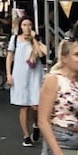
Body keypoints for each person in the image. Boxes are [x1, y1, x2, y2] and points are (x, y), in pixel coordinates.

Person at [6, 16, 47, 147]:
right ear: (20, 26)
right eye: (24, 25)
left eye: (29, 25)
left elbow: (42, 54)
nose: (27, 27)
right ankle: (26, 135)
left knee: (36, 105)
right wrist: (9, 74)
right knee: (23, 106)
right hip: (20, 74)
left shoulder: (37, 40)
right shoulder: (15, 39)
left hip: (35, 74)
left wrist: (34, 39)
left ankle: (36, 124)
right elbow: (9, 56)